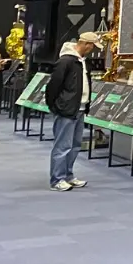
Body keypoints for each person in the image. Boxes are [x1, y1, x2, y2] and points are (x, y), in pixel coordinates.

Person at [45, 32, 100, 191]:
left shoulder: (82, 61)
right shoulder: (65, 61)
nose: (92, 50)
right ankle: (57, 179)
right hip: (67, 110)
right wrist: (55, 106)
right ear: (86, 44)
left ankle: (68, 175)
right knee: (63, 146)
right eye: (92, 46)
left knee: (75, 145)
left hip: (80, 108)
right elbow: (53, 85)